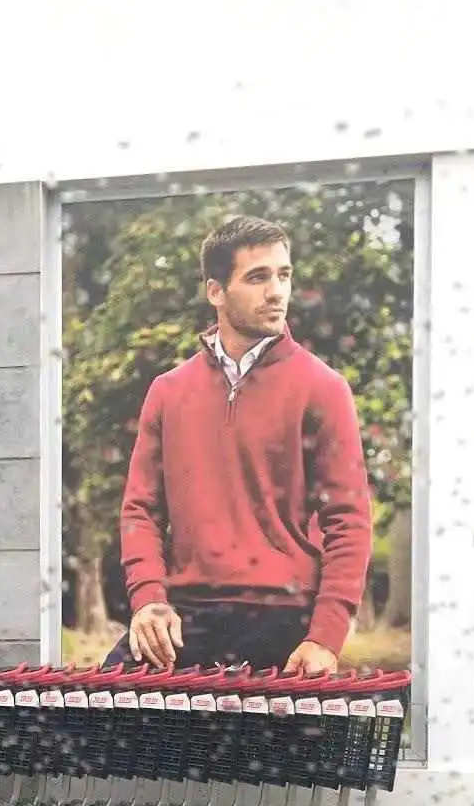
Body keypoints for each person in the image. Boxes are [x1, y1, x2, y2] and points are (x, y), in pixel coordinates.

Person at [110, 214, 373, 674]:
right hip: (186, 613)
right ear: (216, 291)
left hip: (284, 613)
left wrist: (325, 637)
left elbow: (348, 520)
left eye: (284, 275)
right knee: (93, 709)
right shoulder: (168, 391)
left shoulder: (323, 388)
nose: (277, 292)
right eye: (258, 277)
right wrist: (148, 599)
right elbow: (141, 510)